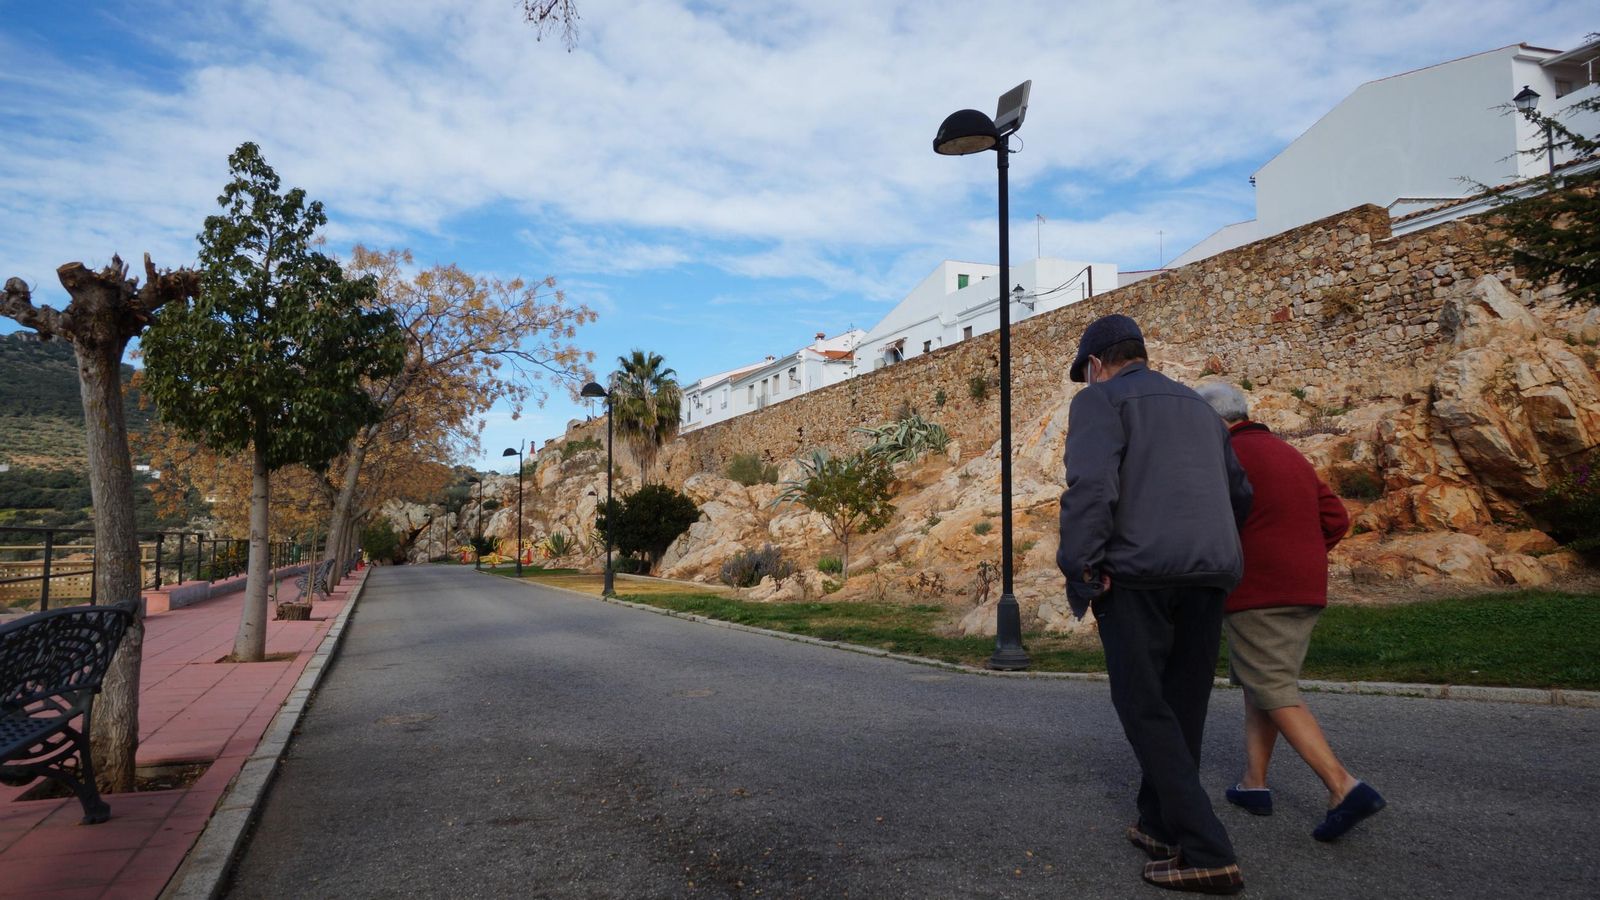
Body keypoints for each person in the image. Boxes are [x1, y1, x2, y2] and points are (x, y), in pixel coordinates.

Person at [1058, 315, 1253, 895]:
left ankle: (1209, 851)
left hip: (1139, 575)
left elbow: (1092, 488)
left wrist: (1083, 567)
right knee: (1182, 705)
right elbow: (1240, 493)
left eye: (1085, 373)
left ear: (1096, 364)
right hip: (1211, 571)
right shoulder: (1201, 408)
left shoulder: (1100, 401)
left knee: (1144, 707)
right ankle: (1160, 825)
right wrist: (1211, 543)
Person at [1194, 382, 1386, 842]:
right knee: (1261, 683)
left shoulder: (1225, 456)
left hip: (1259, 591)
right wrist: (1302, 556)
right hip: (1304, 588)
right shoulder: (1288, 453)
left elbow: (1208, 523)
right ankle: (1253, 784)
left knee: (1274, 687)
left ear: (1211, 421)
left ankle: (1343, 786)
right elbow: (1336, 519)